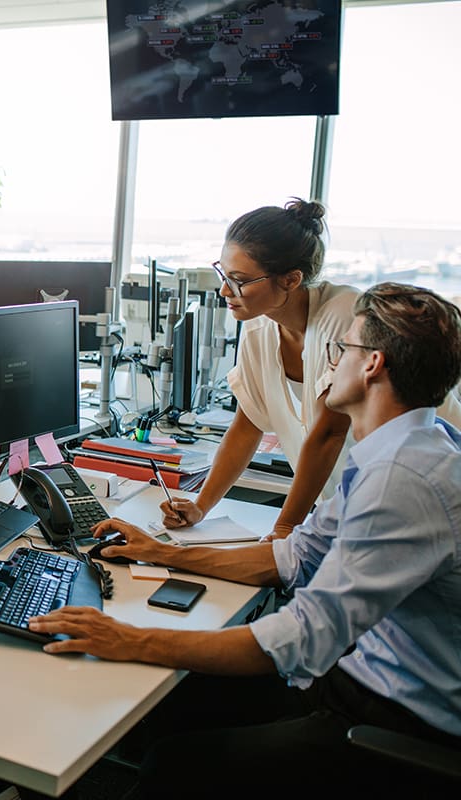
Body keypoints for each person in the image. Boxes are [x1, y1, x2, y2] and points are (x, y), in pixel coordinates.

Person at [30, 282, 461, 795]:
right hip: (360, 675)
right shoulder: (405, 448)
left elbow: (301, 636)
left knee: (173, 764)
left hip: (397, 720)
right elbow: (295, 558)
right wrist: (164, 553)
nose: (330, 362)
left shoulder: (403, 477)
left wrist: (131, 638)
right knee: (169, 706)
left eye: (341, 349)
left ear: (372, 365)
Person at [161, 198, 458, 538]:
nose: (225, 290)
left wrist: (286, 528)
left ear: (290, 279)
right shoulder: (258, 328)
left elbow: (329, 433)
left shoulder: (346, 317)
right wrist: (201, 505)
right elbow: (247, 427)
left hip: (420, 500)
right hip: (351, 506)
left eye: (239, 279)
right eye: (223, 274)